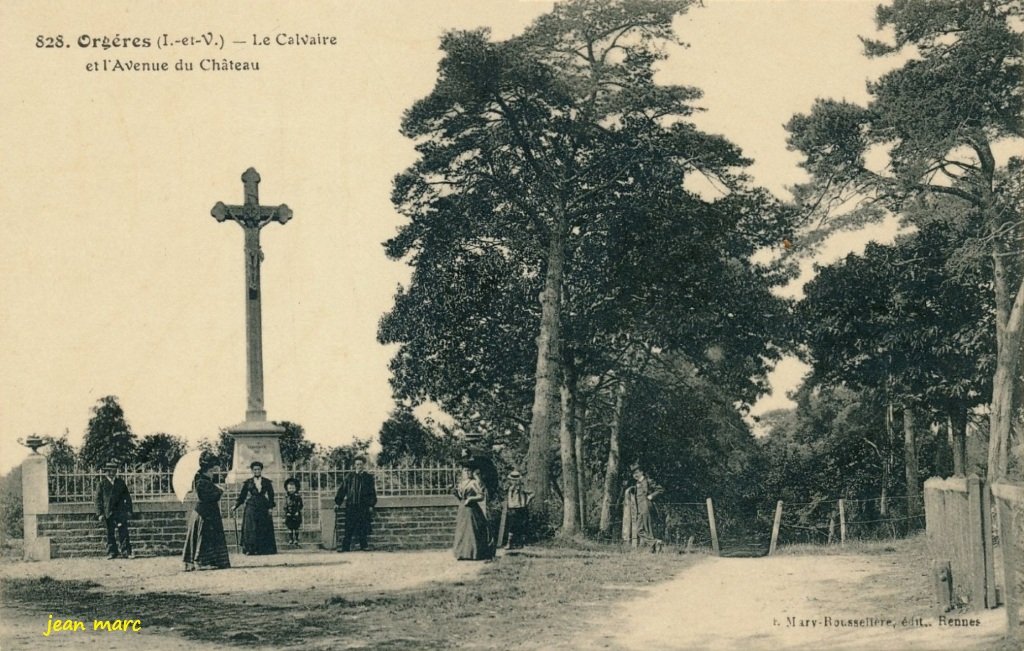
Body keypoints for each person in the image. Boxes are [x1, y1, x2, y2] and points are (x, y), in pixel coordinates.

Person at [182, 453, 231, 571]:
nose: (213, 473)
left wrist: (217, 489)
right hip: (204, 514)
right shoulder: (201, 482)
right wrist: (219, 491)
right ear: (208, 470)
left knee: (208, 537)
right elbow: (207, 497)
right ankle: (201, 562)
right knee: (204, 537)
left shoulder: (205, 481)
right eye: (212, 471)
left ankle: (205, 561)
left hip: (208, 513)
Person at [232, 461, 277, 555]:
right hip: (251, 506)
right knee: (251, 527)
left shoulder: (266, 482)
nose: (257, 471)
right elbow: (242, 495)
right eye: (255, 469)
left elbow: (271, 495)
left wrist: (270, 507)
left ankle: (263, 549)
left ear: (261, 470)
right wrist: (236, 505)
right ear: (252, 471)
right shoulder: (248, 482)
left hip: (263, 505)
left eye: (258, 469)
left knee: (263, 527)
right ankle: (250, 549)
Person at [334, 457, 377, 552]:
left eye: (361, 464)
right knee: (348, 526)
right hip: (351, 505)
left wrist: (371, 505)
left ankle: (364, 546)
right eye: (357, 464)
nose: (359, 466)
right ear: (354, 465)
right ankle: (345, 547)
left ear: (364, 465)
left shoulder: (368, 478)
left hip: (363, 506)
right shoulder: (349, 477)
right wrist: (338, 503)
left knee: (363, 525)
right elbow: (342, 490)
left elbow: (372, 492)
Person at [94, 460, 134, 559]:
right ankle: (112, 552)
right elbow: (97, 500)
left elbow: (127, 498)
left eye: (113, 471)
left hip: (120, 512)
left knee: (123, 532)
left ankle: (126, 551)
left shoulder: (120, 483)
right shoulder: (102, 484)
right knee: (109, 533)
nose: (111, 473)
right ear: (106, 472)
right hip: (108, 512)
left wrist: (129, 510)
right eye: (109, 471)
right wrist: (100, 514)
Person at [453, 466, 493, 560]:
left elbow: (481, 496)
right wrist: (455, 493)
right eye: (465, 471)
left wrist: (471, 499)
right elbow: (461, 497)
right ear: (462, 472)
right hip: (463, 509)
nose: (467, 473)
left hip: (472, 509)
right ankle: (462, 553)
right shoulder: (460, 483)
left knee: (472, 530)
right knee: (462, 531)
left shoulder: (473, 483)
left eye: (469, 470)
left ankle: (473, 553)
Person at [623, 462, 664, 552]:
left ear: (641, 472)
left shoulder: (648, 481)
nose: (635, 475)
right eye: (634, 474)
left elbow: (660, 489)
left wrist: (651, 496)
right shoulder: (637, 483)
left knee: (647, 528)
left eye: (637, 473)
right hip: (640, 509)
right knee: (639, 529)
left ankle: (654, 548)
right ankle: (654, 543)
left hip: (646, 507)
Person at [503, 470, 533, 550]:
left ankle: (520, 543)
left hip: (521, 508)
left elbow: (532, 493)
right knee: (512, 526)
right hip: (512, 508)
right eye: (512, 480)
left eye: (516, 480)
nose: (514, 481)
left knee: (521, 525)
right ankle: (509, 543)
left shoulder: (522, 488)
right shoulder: (509, 488)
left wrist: (527, 501)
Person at [283, 477, 303, 548]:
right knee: (290, 527)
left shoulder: (298, 497)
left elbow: (300, 505)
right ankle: (291, 539)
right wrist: (287, 512)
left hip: (296, 513)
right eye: (290, 488)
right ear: (287, 489)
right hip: (289, 514)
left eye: (293, 488)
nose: (291, 490)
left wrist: (297, 511)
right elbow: (285, 505)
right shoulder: (286, 497)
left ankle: (296, 539)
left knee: (296, 527)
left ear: (296, 488)